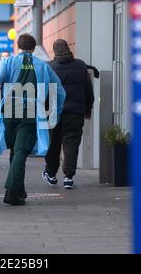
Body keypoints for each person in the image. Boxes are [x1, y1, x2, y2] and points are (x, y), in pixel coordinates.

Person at [0, 34, 65, 205]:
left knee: (16, 151)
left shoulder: (7, 62)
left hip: (10, 111)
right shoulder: (42, 66)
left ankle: (19, 191)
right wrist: (55, 113)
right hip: (30, 112)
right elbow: (60, 91)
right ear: (34, 49)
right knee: (20, 152)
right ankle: (11, 191)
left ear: (18, 46)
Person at [42, 39, 94, 189]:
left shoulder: (49, 67)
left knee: (53, 144)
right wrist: (87, 109)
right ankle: (68, 177)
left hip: (53, 113)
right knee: (72, 143)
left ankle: (51, 174)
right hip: (75, 113)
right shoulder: (80, 66)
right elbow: (88, 90)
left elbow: (44, 92)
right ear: (68, 48)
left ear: (54, 51)